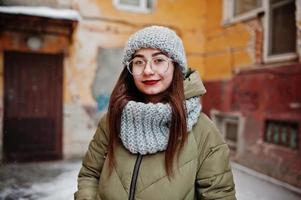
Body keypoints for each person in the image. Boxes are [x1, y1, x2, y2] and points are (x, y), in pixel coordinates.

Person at [75, 25, 236, 200]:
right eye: (138, 62)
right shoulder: (112, 120)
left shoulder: (202, 131)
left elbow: (219, 195)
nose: (148, 70)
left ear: (176, 66)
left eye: (159, 60)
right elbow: (90, 174)